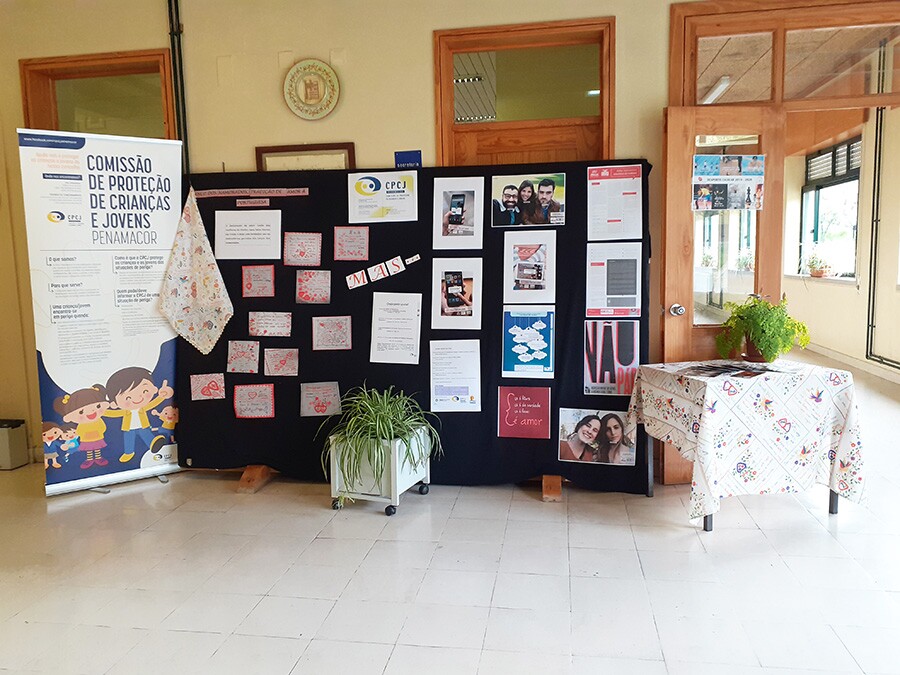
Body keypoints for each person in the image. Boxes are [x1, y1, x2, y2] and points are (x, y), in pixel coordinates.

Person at [105, 367, 173, 463]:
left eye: (144, 391)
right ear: (114, 404)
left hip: (143, 426)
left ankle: (153, 443)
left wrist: (161, 396)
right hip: (128, 428)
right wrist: (102, 411)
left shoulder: (142, 408)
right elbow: (113, 413)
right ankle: (129, 453)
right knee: (128, 440)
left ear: (154, 389)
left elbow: (153, 403)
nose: (138, 398)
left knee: (146, 434)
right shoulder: (125, 412)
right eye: (127, 397)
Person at [53, 385, 111, 469]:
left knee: (97, 448)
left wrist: (98, 432)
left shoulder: (98, 421)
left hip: (97, 437)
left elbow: (102, 428)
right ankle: (89, 459)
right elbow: (79, 432)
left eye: (98, 406)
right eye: (81, 412)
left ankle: (98, 458)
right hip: (86, 439)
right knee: (89, 450)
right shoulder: (82, 424)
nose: (91, 411)